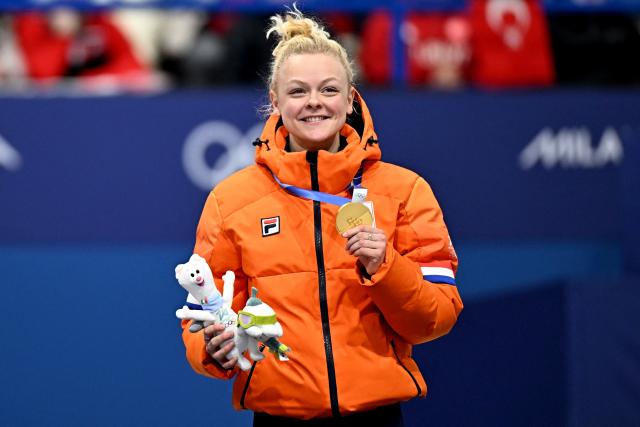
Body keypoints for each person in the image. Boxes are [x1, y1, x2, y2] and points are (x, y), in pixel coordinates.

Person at [181, 7, 463, 426]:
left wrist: (384, 267)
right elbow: (203, 319)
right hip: (278, 416)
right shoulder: (231, 200)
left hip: (376, 416)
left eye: (329, 89)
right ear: (275, 101)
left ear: (351, 98)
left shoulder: (405, 191)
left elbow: (435, 319)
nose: (314, 102)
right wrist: (214, 350)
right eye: (298, 92)